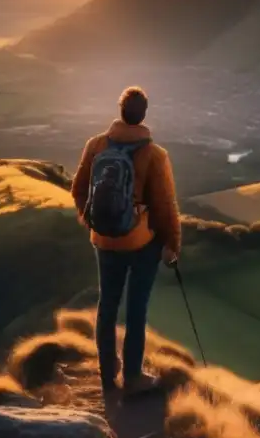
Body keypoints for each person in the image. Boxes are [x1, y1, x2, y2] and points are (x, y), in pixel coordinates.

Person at [71, 86, 181, 397]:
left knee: (107, 305)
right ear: (143, 114)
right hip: (141, 242)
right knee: (136, 309)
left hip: (104, 241)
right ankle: (133, 377)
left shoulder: (95, 145)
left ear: (121, 112)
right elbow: (165, 206)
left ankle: (107, 374)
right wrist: (172, 245)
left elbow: (78, 189)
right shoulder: (155, 155)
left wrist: (93, 220)